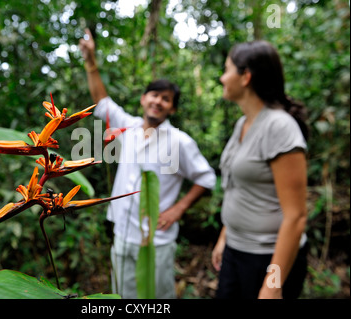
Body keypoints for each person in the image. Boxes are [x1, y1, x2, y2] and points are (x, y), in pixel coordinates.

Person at [79, 28, 216, 299]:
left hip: (157, 241)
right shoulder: (128, 126)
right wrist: (90, 61)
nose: (158, 101)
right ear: (143, 99)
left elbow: (207, 179)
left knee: (156, 297)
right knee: (122, 295)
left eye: (166, 99)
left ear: (172, 109)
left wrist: (178, 209)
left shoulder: (180, 142)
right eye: (154, 95)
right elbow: (102, 101)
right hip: (122, 233)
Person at [211, 40, 309, 299]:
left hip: (268, 258)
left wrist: (273, 285)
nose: (222, 78)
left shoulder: (279, 127)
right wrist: (225, 236)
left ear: (246, 77)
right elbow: (239, 188)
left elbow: (296, 217)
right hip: (235, 250)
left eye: (227, 69)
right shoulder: (242, 123)